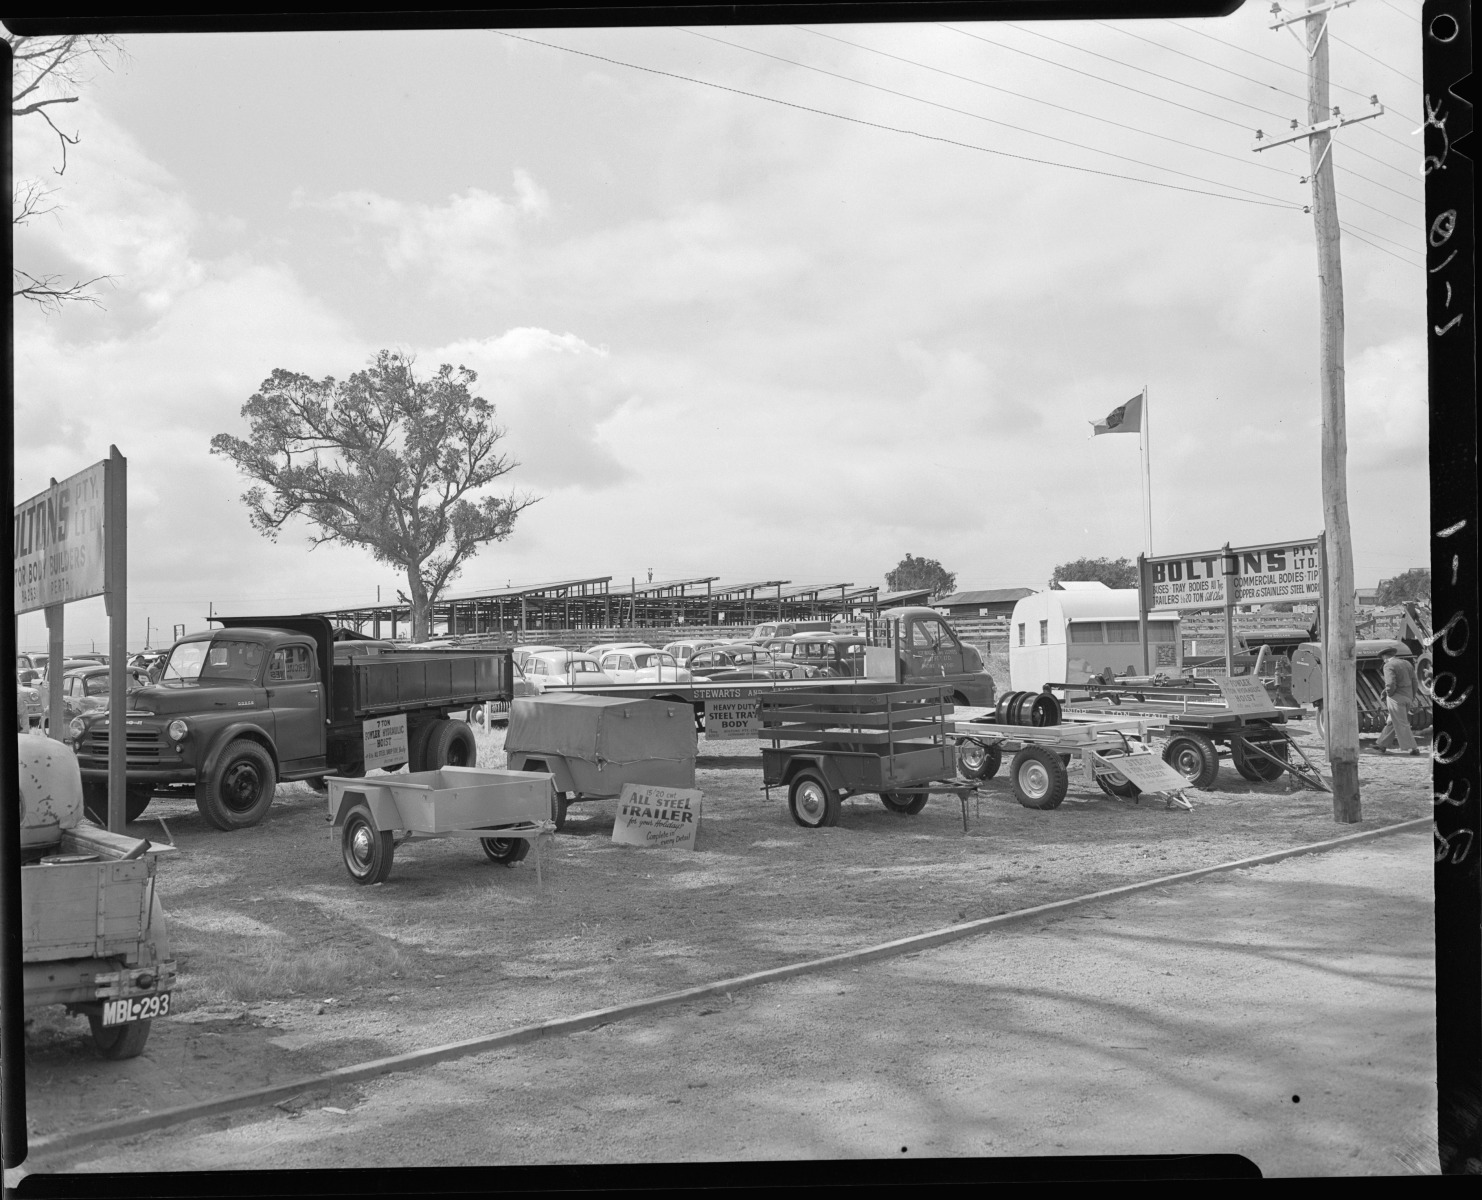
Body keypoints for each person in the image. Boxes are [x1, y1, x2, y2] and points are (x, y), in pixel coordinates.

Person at [1372, 646, 1421, 756]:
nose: (1383, 660)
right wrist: (1412, 696)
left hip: (1396, 698)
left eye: (1382, 658)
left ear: (1385, 657)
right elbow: (1415, 682)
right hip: (1408, 697)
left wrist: (1389, 694)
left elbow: (1390, 683)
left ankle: (1414, 748)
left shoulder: (1388, 665)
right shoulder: (1407, 663)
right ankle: (1382, 745)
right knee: (1392, 721)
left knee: (1401, 723)